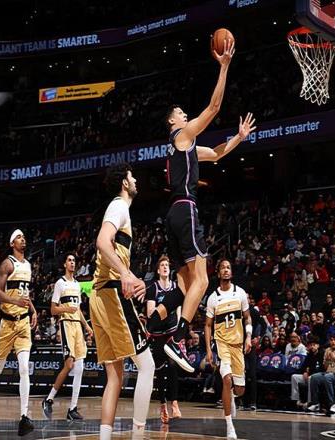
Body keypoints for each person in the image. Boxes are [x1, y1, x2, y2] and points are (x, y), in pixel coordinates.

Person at [155, 38, 256, 372]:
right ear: (173, 123)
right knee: (202, 280)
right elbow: (212, 109)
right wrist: (224, 67)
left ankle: (155, 324)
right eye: (180, 113)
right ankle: (177, 337)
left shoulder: (183, 148)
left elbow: (215, 153)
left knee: (184, 285)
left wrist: (239, 138)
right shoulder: (181, 136)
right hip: (186, 208)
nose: (185, 114)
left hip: (172, 214)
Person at [89, 163, 155, 439]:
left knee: (115, 377)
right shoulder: (119, 206)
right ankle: (138, 436)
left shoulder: (118, 209)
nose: (135, 179)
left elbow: (111, 254)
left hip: (98, 295)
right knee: (147, 366)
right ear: (125, 183)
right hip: (111, 294)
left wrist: (131, 275)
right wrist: (125, 274)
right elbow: (102, 241)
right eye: (132, 176)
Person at [0, 229, 38, 437]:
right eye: (19, 237)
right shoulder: (7, 264)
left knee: (24, 369)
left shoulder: (28, 265)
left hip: (23, 324)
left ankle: (24, 417)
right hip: (7, 323)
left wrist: (33, 310)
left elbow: (24, 294)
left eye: (24, 237)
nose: (23, 239)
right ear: (12, 243)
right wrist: (14, 301)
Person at [42, 254, 94, 420]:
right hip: (66, 324)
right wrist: (66, 309)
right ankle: (49, 399)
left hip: (78, 326)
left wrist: (87, 326)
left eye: (74, 261)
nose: (72, 263)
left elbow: (78, 311)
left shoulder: (77, 285)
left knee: (80, 368)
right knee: (69, 364)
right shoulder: (60, 283)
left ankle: (72, 408)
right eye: (70, 260)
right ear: (65, 264)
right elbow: (53, 310)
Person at [205, 259, 252, 440]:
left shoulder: (240, 293)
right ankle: (229, 426)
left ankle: (231, 396)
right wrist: (209, 349)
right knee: (226, 379)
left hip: (237, 344)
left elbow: (247, 318)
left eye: (228, 267)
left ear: (231, 272)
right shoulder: (212, 298)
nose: (226, 270)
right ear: (218, 273)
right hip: (222, 343)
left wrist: (248, 337)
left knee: (240, 389)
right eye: (223, 268)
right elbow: (208, 325)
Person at [145, 256, 183, 424]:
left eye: (167, 264)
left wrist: (180, 329)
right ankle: (162, 404)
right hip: (158, 334)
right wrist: (165, 309)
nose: (165, 267)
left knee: (174, 365)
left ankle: (174, 402)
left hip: (172, 332)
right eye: (162, 265)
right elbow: (150, 313)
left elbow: (179, 309)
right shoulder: (153, 288)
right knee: (160, 371)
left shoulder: (176, 287)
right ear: (158, 270)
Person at [307, 336, 335, 414]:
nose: (333, 342)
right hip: (327, 372)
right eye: (331, 340)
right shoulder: (327, 350)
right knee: (314, 377)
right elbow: (325, 367)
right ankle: (315, 403)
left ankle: (332, 404)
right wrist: (327, 360)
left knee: (328, 377)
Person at [291, 335, 323, 408]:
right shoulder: (309, 355)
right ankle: (296, 399)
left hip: (316, 376)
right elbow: (303, 367)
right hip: (308, 375)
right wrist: (305, 372)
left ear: (318, 346)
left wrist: (309, 371)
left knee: (311, 378)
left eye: (314, 345)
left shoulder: (321, 354)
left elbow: (320, 368)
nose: (312, 347)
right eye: (311, 345)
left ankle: (309, 401)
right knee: (294, 377)